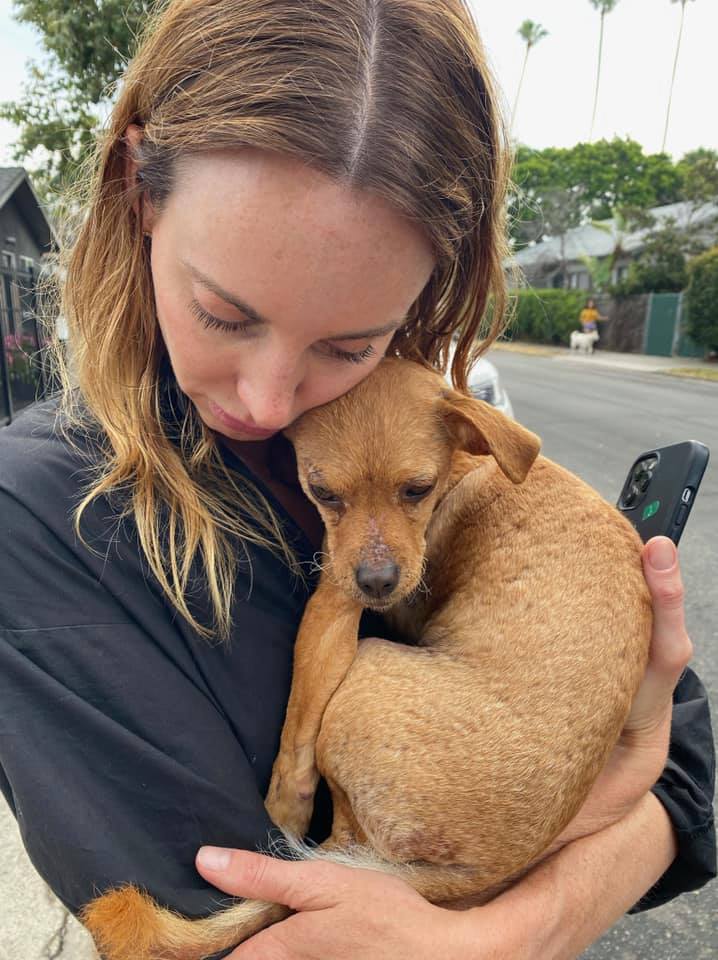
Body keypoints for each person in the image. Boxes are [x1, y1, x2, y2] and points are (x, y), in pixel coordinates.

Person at [0, 1, 714, 958]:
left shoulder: (428, 427)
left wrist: (525, 917)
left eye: (353, 343)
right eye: (223, 314)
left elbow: (689, 773)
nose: (267, 401)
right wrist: (552, 888)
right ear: (137, 192)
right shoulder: (41, 516)